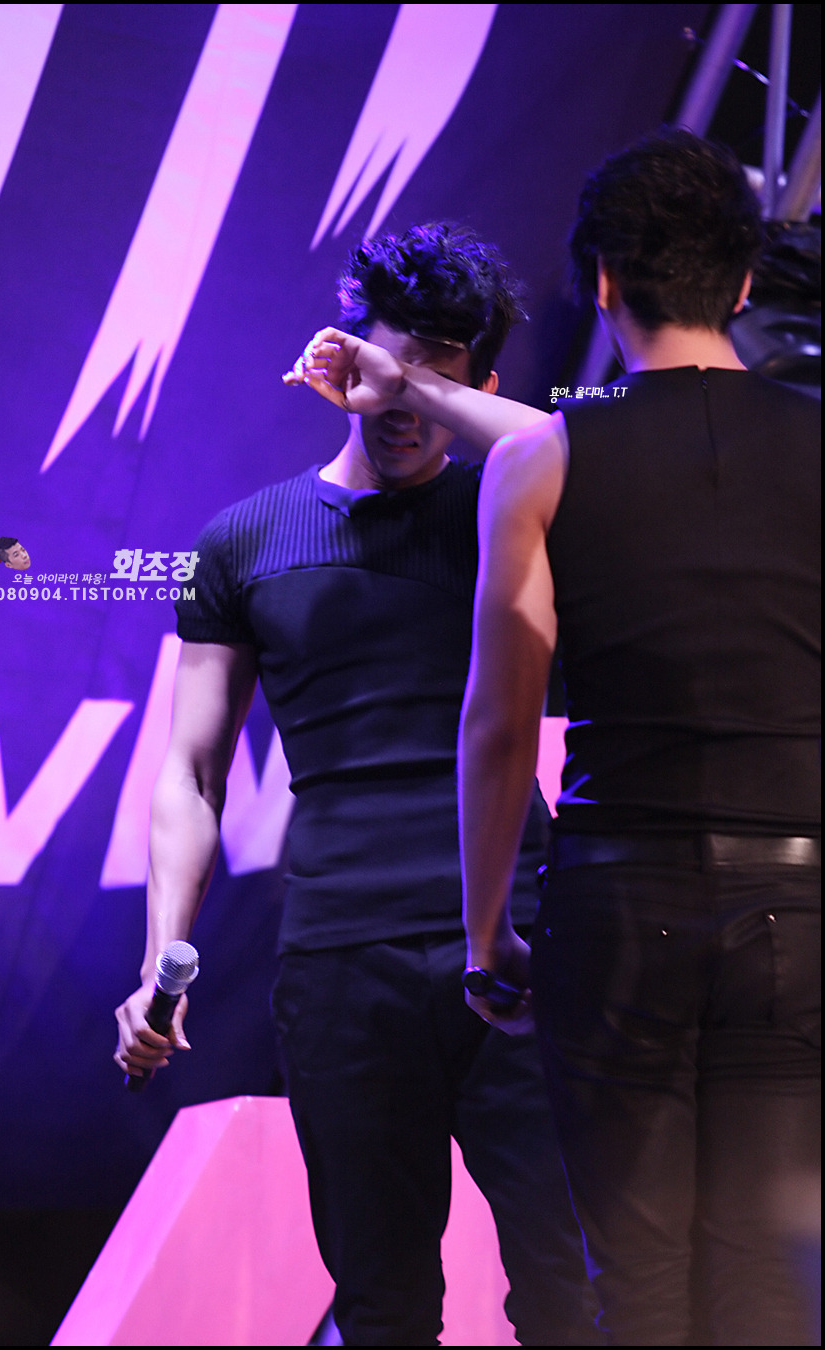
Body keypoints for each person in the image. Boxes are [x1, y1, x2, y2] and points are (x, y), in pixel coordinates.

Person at [299, 131, 821, 1346]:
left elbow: (500, 725)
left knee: (632, 1282)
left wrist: (489, 933)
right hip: (802, 902)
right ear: (746, 281)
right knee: (773, 1280)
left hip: (617, 903)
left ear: (601, 281)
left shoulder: (544, 459)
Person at [114, 224, 596, 1347]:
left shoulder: (512, 506)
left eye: (435, 371)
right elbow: (192, 772)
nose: (402, 397)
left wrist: (416, 378)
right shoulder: (243, 541)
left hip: (521, 943)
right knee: (383, 1303)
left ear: (479, 386)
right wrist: (157, 966)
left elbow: (576, 447)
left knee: (574, 1285)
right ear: (343, 357)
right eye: (388, 359)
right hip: (341, 962)